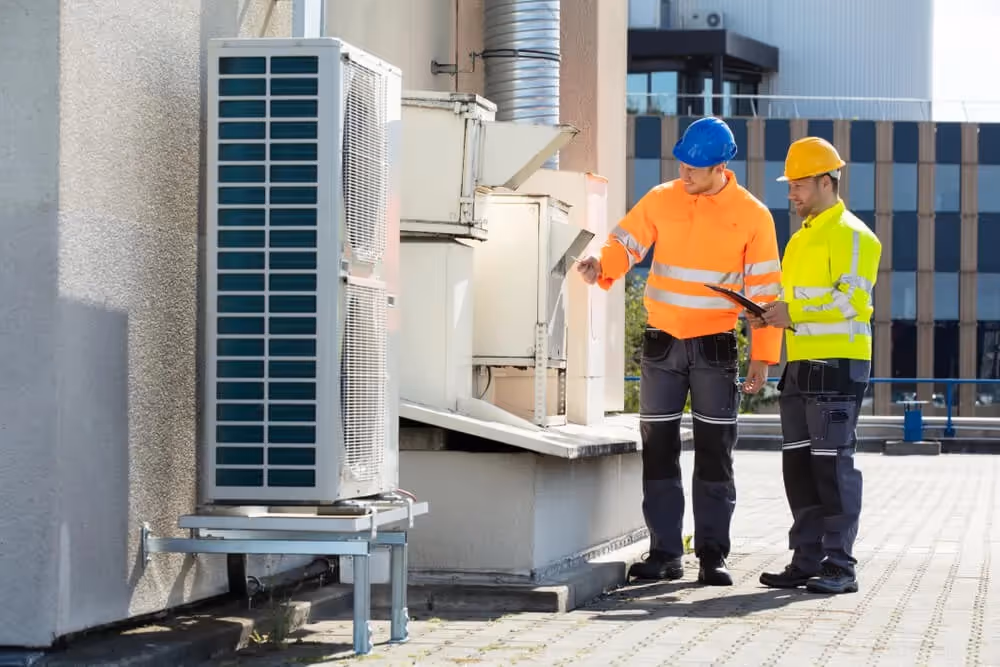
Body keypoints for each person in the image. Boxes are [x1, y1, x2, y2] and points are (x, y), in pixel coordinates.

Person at [577, 117, 783, 586]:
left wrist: (762, 357)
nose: (685, 173)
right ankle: (665, 553)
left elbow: (765, 293)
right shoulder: (661, 198)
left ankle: (712, 556)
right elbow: (625, 243)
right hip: (662, 344)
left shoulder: (753, 216)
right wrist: (600, 265)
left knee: (715, 454)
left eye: (695, 167)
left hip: (715, 348)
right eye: (683, 164)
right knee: (658, 451)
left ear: (721, 167)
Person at [749, 136, 882, 595]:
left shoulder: (854, 235)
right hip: (801, 366)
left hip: (838, 367)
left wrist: (793, 312)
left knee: (832, 467)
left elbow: (853, 302)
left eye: (799, 184)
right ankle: (806, 561)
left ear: (827, 182)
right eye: (790, 185)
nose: (792, 193)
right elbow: (796, 302)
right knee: (799, 468)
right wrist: (770, 313)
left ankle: (840, 566)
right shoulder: (801, 239)